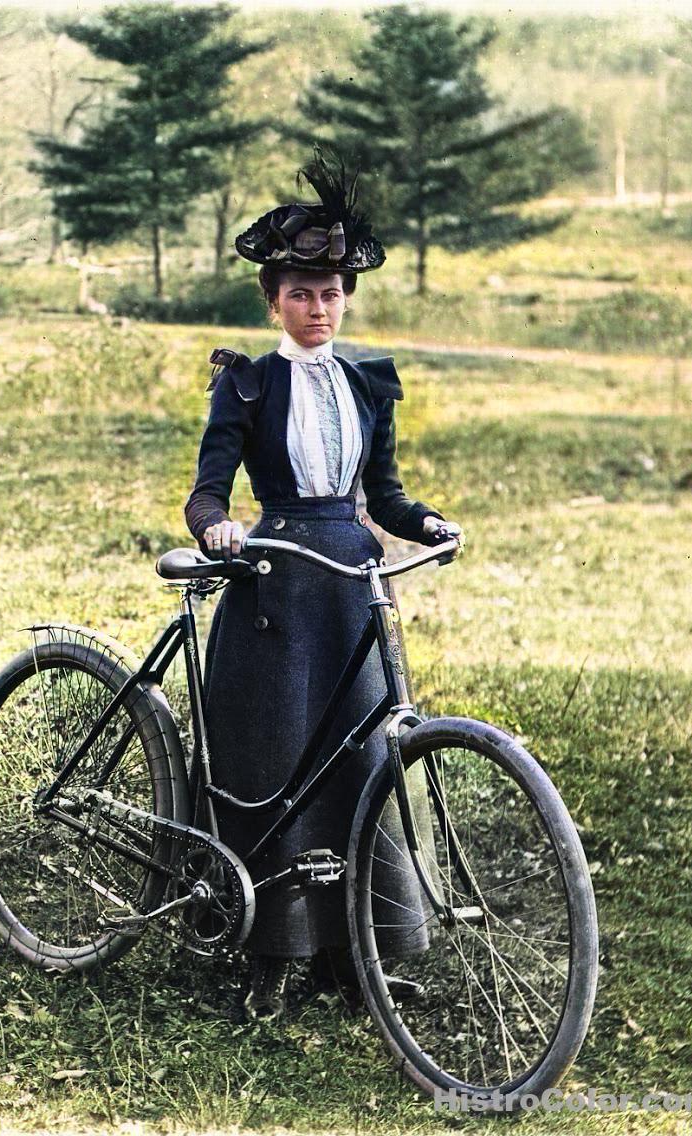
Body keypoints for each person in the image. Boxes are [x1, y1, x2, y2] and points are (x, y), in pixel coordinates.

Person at [183, 152, 461, 1021]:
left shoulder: (367, 383)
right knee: (276, 761)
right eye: (301, 292)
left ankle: (357, 954)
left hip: (350, 582)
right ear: (273, 299)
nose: (319, 308)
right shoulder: (250, 382)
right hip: (275, 581)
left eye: (332, 292)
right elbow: (207, 490)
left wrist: (426, 525)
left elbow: (386, 496)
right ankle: (272, 951)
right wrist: (217, 529)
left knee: (362, 754)